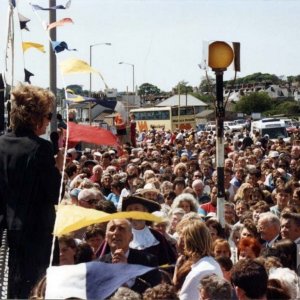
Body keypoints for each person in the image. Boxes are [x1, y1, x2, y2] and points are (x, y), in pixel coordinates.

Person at [0, 84, 63, 298]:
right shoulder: (40, 149)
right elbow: (55, 193)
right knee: (38, 288)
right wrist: (58, 169)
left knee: (14, 287)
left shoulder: (1, 145)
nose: (49, 120)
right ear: (35, 116)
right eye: (48, 115)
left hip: (9, 233)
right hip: (38, 232)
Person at [100, 218, 161, 294]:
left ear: (131, 237)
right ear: (106, 237)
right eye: (112, 229)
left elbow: (153, 293)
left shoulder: (148, 261)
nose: (116, 232)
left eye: (121, 229)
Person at [178, 219, 223, 300]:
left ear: (188, 243)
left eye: (182, 239)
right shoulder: (212, 263)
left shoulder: (198, 272)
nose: (180, 242)